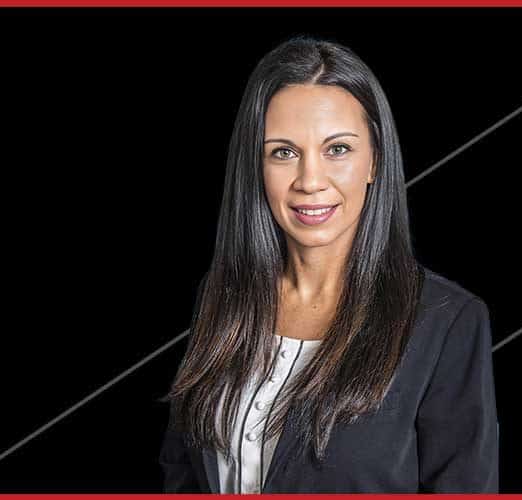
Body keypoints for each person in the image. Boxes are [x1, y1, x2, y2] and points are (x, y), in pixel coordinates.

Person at [157, 34, 498, 494]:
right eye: (284, 152)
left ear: (375, 159)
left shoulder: (447, 322)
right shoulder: (220, 295)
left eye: (337, 149)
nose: (310, 181)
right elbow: (182, 474)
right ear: (255, 166)